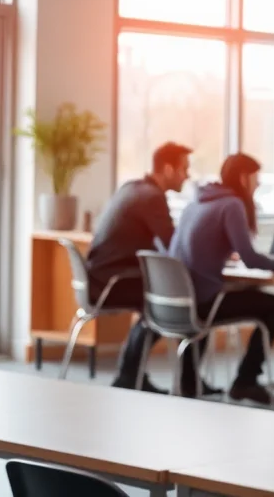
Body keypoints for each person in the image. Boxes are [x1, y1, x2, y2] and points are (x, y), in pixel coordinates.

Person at [169, 153, 274, 405]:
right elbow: (251, 259)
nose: (258, 184)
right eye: (256, 178)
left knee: (224, 299)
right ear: (244, 178)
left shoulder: (197, 201)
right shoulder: (231, 205)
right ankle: (246, 381)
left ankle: (189, 382)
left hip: (181, 298)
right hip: (204, 301)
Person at [86, 142, 196, 393]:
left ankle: (133, 374)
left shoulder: (132, 188)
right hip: (113, 282)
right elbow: (174, 246)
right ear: (168, 169)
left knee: (164, 302)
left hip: (101, 278)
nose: (187, 176)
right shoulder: (152, 197)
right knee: (172, 303)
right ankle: (132, 376)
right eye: (184, 169)